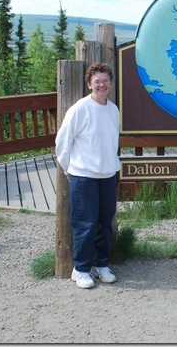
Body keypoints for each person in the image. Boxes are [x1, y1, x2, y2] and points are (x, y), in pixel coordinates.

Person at [55, 62, 121, 288]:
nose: (101, 85)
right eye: (97, 82)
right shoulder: (79, 109)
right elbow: (63, 142)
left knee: (104, 223)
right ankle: (81, 269)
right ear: (89, 84)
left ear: (110, 84)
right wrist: (68, 168)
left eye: (105, 81)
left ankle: (101, 265)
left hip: (107, 175)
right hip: (83, 176)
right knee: (85, 224)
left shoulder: (113, 109)